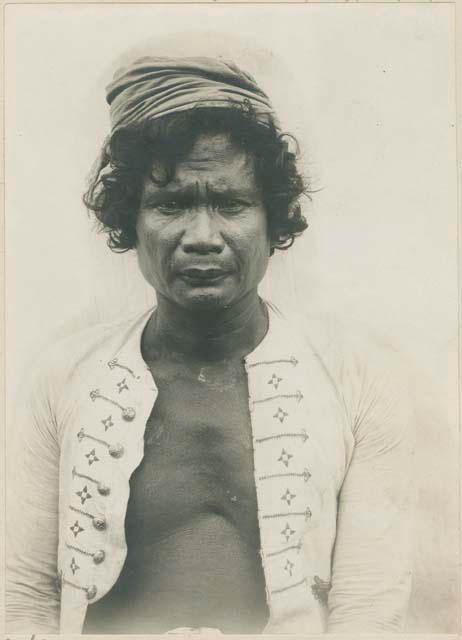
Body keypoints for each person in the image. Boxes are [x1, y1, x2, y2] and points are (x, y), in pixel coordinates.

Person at [6, 56, 415, 635]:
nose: (202, 237)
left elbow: (370, 613)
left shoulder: (359, 380)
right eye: (171, 204)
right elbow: (24, 602)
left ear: (274, 220)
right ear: (131, 220)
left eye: (230, 203)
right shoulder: (61, 377)